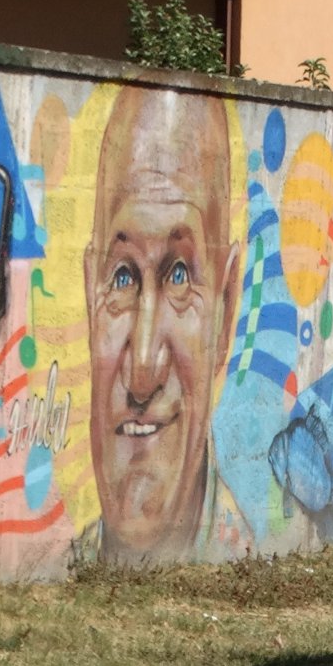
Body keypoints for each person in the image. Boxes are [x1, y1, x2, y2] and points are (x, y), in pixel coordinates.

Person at [80, 87, 247, 563]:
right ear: (90, 300)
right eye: (123, 276)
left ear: (226, 310)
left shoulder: (250, 558)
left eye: (179, 275)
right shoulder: (48, 574)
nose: (142, 372)